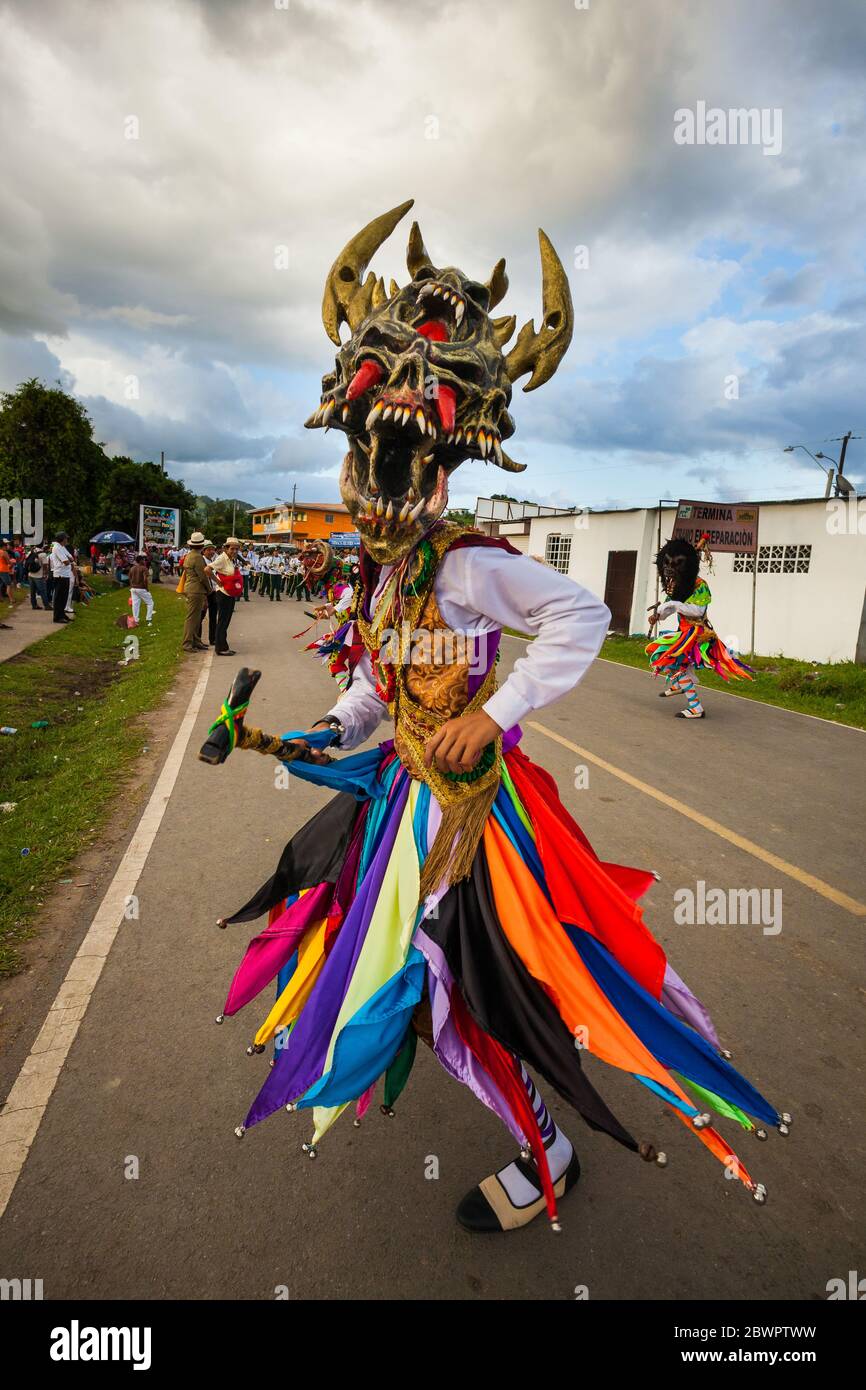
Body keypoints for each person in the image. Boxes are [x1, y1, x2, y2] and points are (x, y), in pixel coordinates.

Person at [212, 203, 784, 1235]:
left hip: (473, 814)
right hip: (401, 803)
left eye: (404, 464)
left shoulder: (470, 564)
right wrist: (329, 733)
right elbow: (372, 689)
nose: (383, 482)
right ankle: (495, 1087)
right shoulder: (379, 573)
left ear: (438, 467)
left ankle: (550, 1153)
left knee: (487, 976)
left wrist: (502, 710)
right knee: (395, 953)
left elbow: (584, 615)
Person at [646, 536, 753, 719]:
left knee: (671, 661)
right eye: (668, 563)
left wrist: (673, 605)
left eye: (676, 564)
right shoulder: (675, 585)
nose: (670, 569)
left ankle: (696, 708)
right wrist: (658, 616)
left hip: (696, 634)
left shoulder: (700, 585)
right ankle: (681, 684)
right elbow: (668, 608)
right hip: (683, 633)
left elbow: (697, 611)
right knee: (660, 654)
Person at [209, 538, 243, 655]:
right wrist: (218, 582)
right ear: (226, 548)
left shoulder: (231, 559)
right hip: (223, 593)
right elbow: (207, 569)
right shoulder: (222, 558)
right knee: (223, 621)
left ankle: (223, 646)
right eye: (232, 548)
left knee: (226, 621)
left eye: (236, 549)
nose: (234, 551)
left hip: (229, 593)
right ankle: (221, 648)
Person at [180, 532, 210, 652]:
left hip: (191, 589)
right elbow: (202, 576)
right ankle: (187, 643)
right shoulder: (198, 557)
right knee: (192, 618)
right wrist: (209, 589)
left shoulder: (189, 555)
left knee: (196, 617)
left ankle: (196, 640)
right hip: (196, 590)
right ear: (202, 545)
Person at [49, 532, 74, 624]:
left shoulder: (62, 547)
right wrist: (70, 561)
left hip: (65, 574)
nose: (67, 540)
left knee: (64, 597)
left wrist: (70, 561)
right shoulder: (57, 547)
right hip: (60, 575)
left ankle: (62, 614)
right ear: (62, 539)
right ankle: (57, 617)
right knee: (59, 597)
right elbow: (66, 561)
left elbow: (71, 558)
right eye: (66, 538)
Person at [128, 553, 155, 626]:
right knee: (150, 603)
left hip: (133, 588)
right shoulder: (144, 568)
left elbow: (130, 578)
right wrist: (147, 588)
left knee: (135, 605)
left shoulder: (132, 568)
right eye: (143, 560)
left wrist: (131, 586)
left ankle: (136, 620)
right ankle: (148, 619)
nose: (144, 561)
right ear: (140, 561)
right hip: (141, 588)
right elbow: (145, 579)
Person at [25, 545, 50, 610]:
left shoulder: (31, 552)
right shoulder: (43, 554)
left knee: (32, 592)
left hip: (30, 574)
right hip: (39, 576)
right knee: (43, 591)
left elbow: (26, 561)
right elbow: (45, 565)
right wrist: (46, 574)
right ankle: (47, 606)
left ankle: (34, 605)